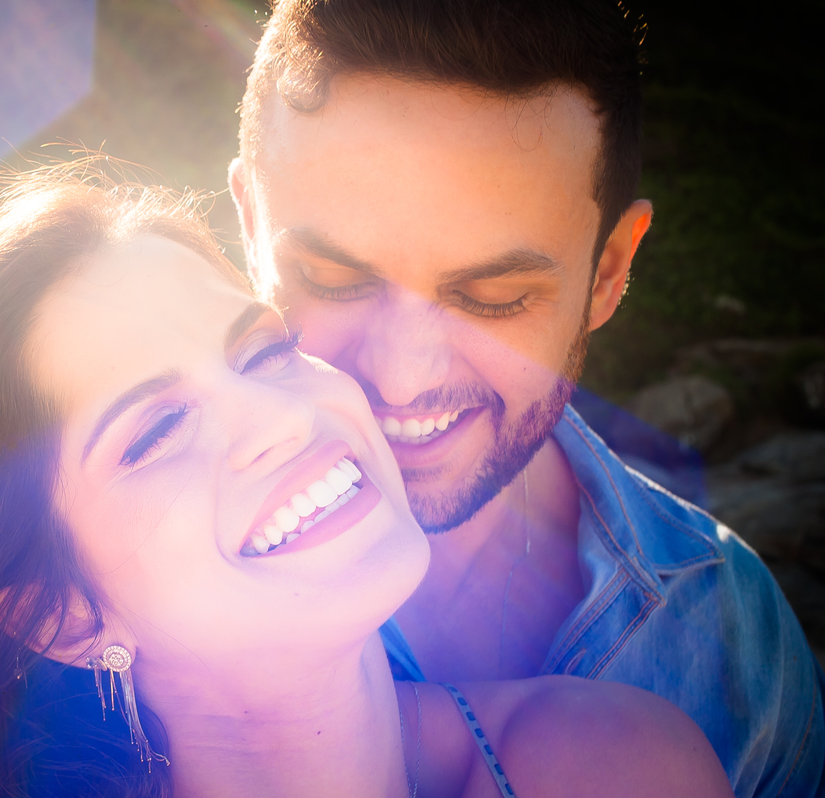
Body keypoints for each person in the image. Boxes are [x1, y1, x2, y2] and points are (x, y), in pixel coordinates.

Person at [0, 169, 731, 796]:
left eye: (259, 352)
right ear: (60, 611)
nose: (280, 416)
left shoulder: (612, 764)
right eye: (154, 430)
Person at [226, 1, 823, 796]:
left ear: (608, 273)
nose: (402, 377)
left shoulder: (735, 640)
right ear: (248, 223)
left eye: (496, 296)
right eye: (335, 280)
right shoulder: (110, 607)